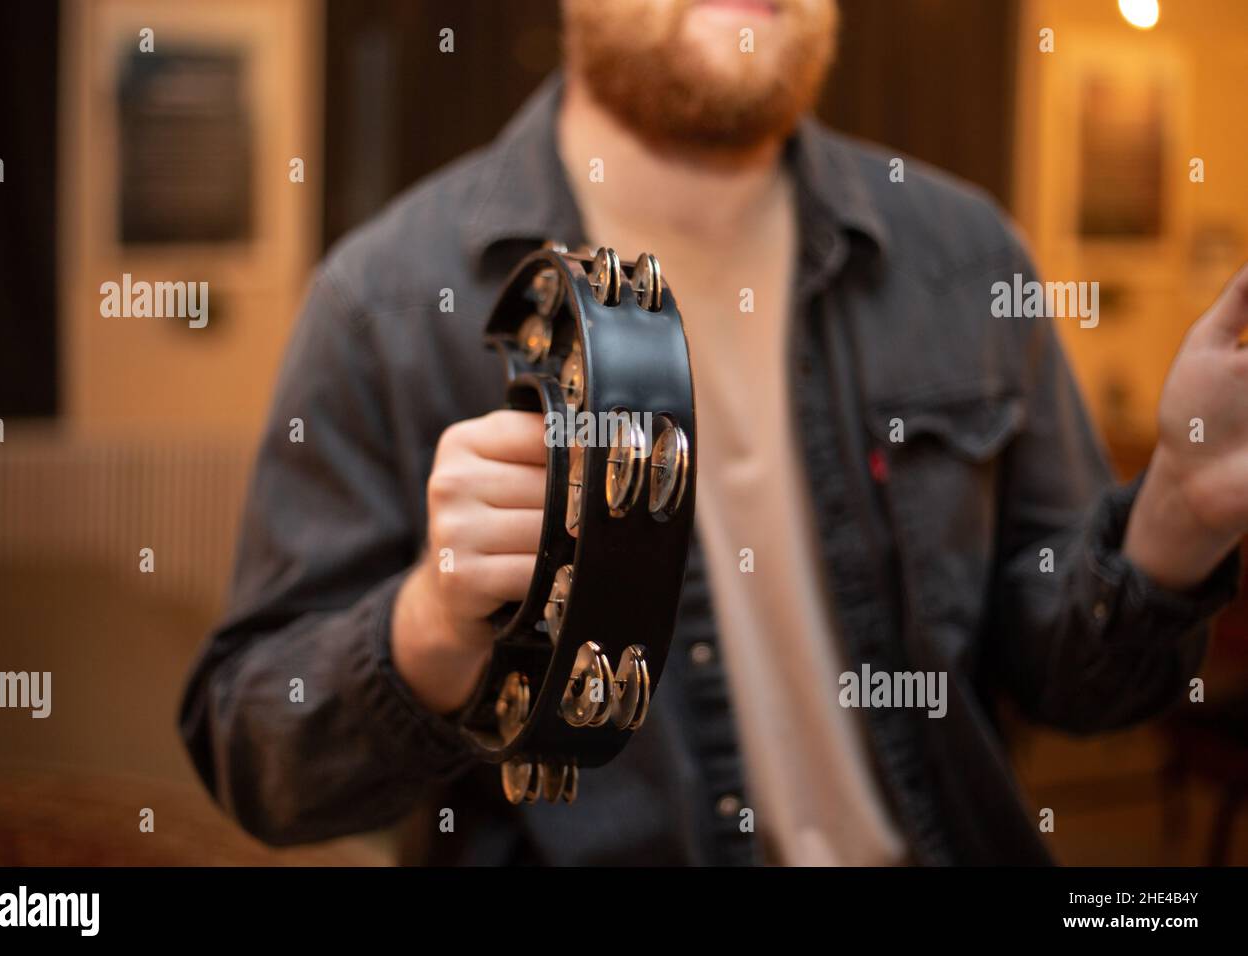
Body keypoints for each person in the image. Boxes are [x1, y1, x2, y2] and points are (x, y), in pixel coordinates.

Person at [179, 0, 1246, 865]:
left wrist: (1178, 516)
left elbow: (1077, 683)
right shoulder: (384, 298)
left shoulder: (970, 256)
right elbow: (254, 752)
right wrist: (430, 627)